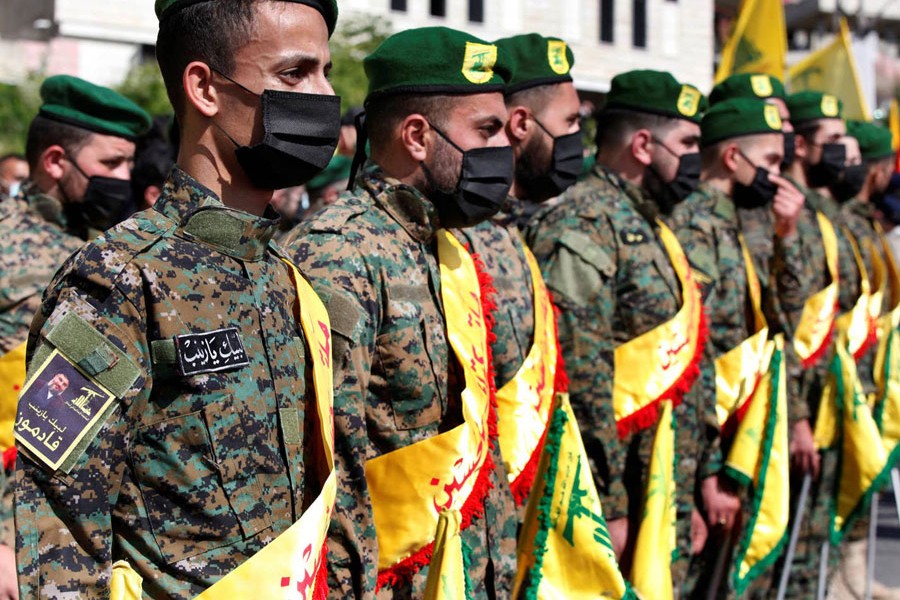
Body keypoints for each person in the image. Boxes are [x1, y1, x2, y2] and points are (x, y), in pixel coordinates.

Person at [14, 0, 342, 597]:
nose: (324, 96)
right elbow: (61, 522)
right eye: (295, 74)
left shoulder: (286, 273)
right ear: (205, 89)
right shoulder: (118, 280)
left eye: (326, 70)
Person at [285, 26, 519, 598]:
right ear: (417, 135)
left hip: (466, 570)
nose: (503, 150)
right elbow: (325, 466)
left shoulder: (447, 242)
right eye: (486, 130)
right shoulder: (339, 252)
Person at [523, 69, 720, 597]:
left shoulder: (650, 221)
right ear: (642, 145)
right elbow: (577, 377)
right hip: (615, 494)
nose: (697, 158)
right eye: (688, 143)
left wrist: (687, 492)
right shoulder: (585, 222)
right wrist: (605, 505)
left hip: (658, 485)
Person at [0, 75, 151, 600]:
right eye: (111, 165)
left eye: (129, 165)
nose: (124, 179)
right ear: (56, 161)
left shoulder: (108, 250)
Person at [668, 97, 799, 597]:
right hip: (707, 441)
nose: (778, 174)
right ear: (731, 158)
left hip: (726, 433)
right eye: (769, 162)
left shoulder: (728, 219)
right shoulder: (697, 223)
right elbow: (699, 354)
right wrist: (713, 468)